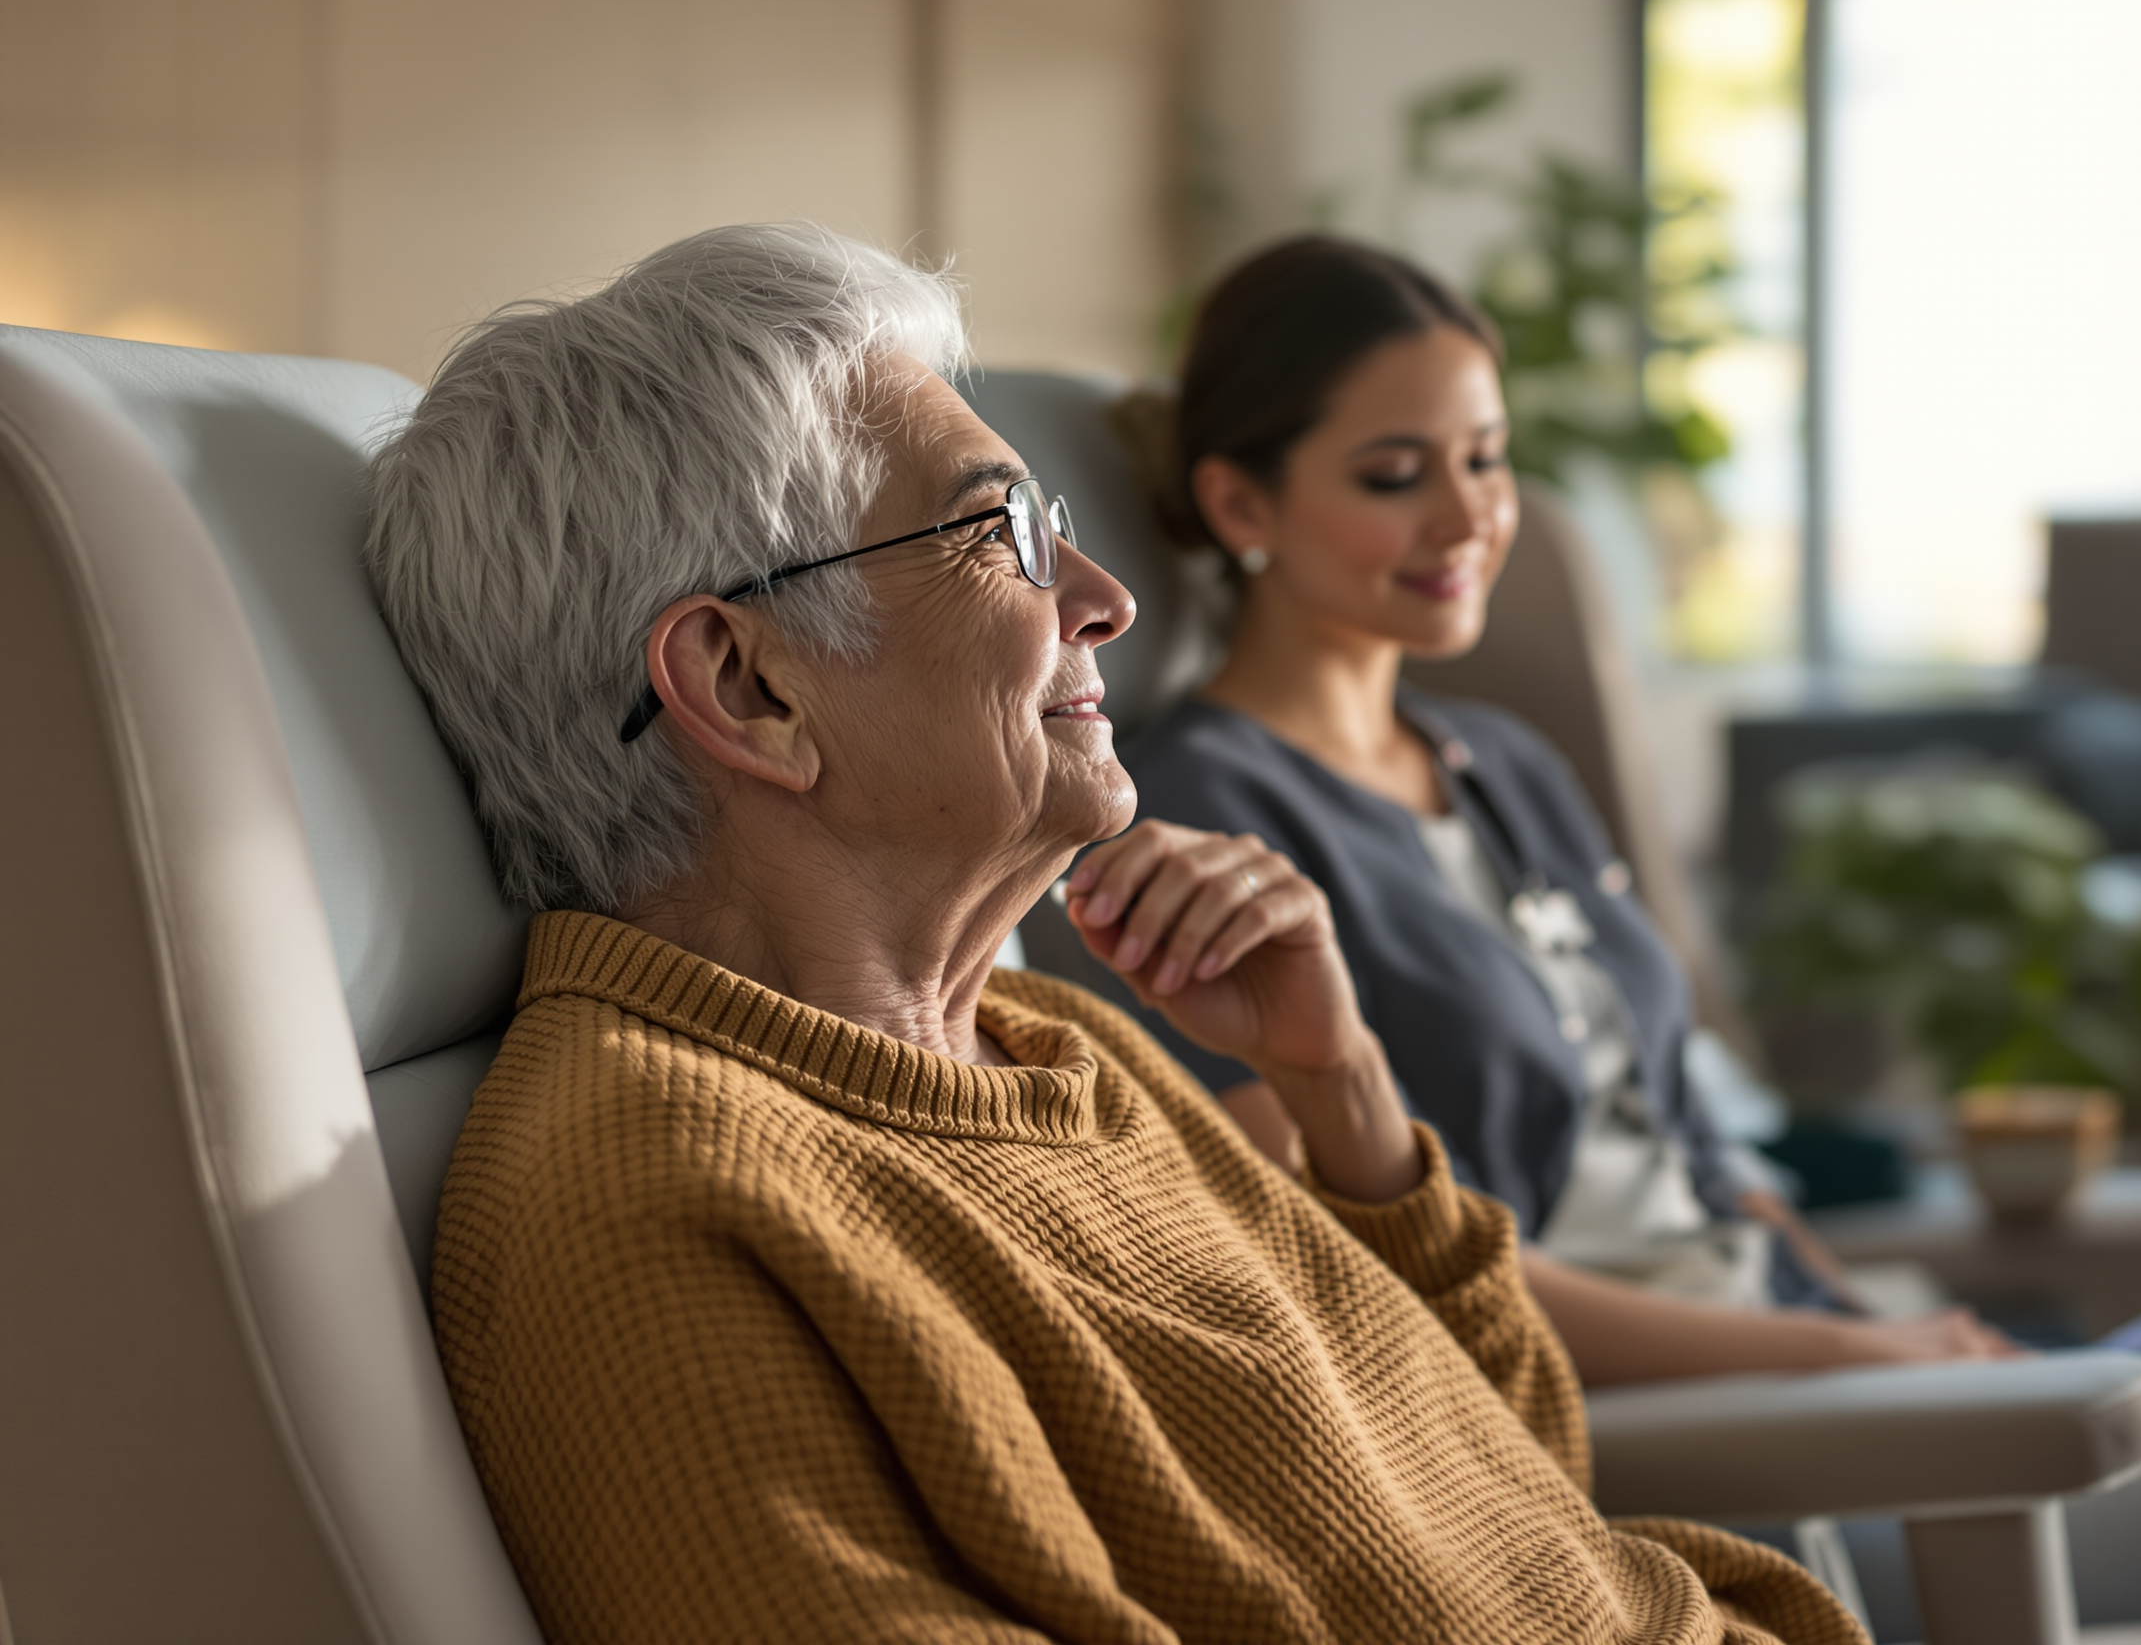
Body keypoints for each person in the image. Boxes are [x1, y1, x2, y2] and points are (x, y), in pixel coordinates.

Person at [363, 223, 1864, 1645]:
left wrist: (1340, 1086)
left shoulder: (1058, 1048)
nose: (1107, 599)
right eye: (1000, 534)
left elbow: (1521, 1486)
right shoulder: (649, 1214)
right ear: (750, 688)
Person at [1068, 233, 2023, 1386]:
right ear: (1237, 499)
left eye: (1486, 458)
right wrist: (1850, 1354)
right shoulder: (1184, 818)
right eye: (1394, 473)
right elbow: (1344, 1258)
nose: (1468, 517)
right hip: (1626, 1414)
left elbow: (1690, 1141)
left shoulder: (1508, 766)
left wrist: (1869, 1316)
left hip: (1793, 1333)